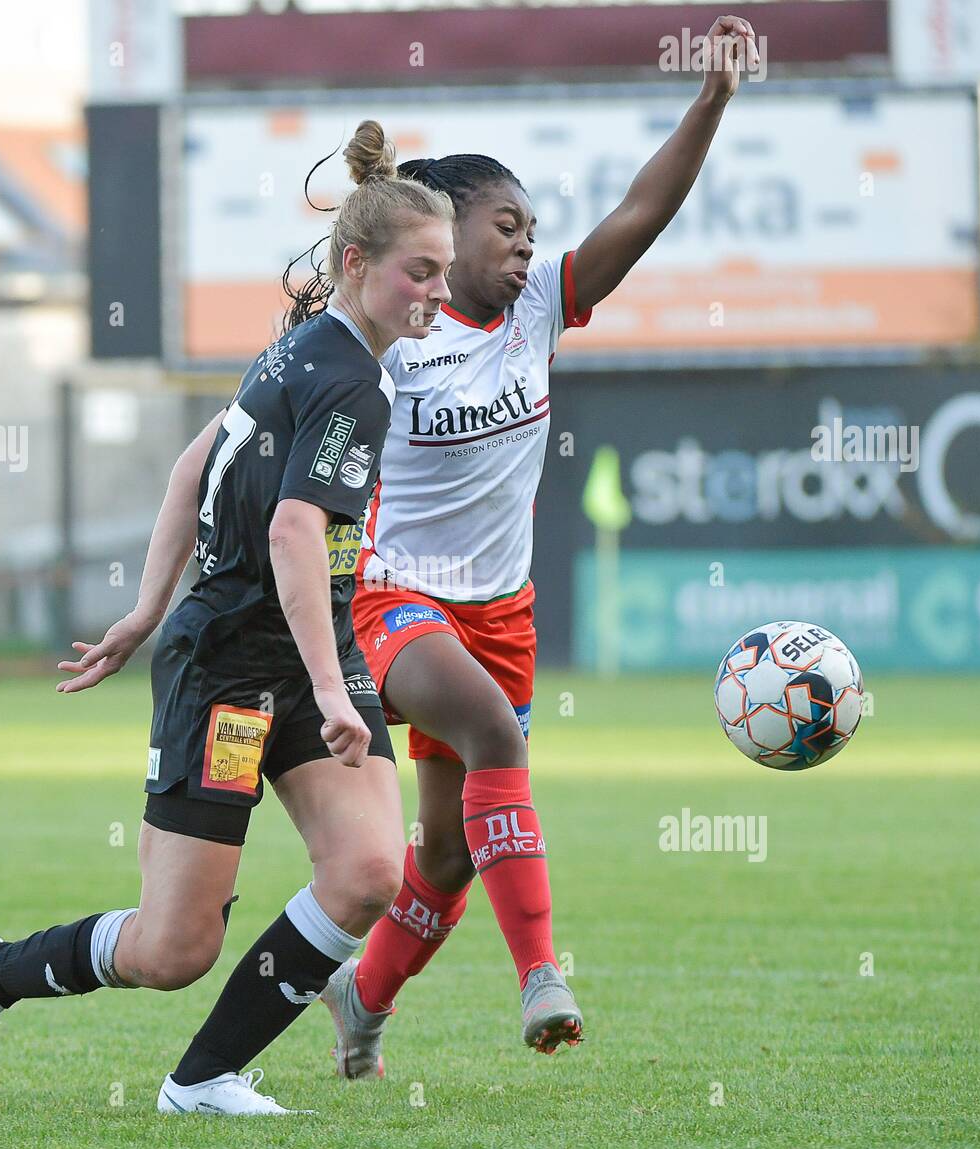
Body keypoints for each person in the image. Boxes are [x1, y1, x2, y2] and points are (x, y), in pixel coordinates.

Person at [0, 121, 455, 1115]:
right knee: (174, 949)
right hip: (232, 670)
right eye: (419, 271)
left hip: (302, 650)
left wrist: (143, 608)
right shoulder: (342, 379)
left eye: (443, 273)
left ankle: (202, 1077)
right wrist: (307, 678)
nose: (437, 292)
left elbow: (190, 466)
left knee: (371, 869)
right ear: (356, 263)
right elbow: (295, 531)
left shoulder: (302, 352)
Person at [308, 15, 761, 1075]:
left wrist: (711, 103)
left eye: (531, 228)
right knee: (498, 750)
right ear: (443, 233)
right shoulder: (392, 341)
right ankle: (542, 976)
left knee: (449, 858)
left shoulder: (538, 312)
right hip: (396, 599)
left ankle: (358, 998)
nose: (525, 244)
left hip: (501, 613)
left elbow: (640, 214)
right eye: (505, 225)